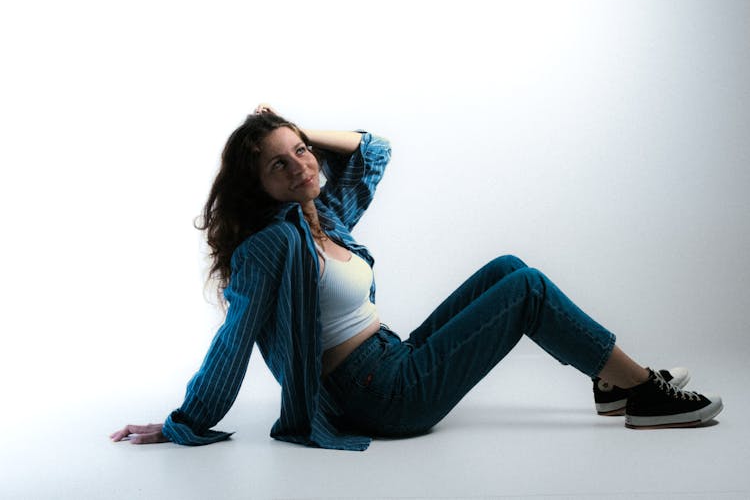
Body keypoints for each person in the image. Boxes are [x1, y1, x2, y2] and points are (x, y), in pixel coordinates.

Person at [111, 105, 723, 450]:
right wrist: (182, 420)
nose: (301, 164)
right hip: (378, 397)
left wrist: (293, 117)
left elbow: (374, 150)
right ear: (259, 187)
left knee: (507, 269)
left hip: (392, 357)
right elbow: (234, 338)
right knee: (528, 288)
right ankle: (642, 393)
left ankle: (609, 386)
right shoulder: (271, 246)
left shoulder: (324, 216)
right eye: (280, 163)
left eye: (301, 150)